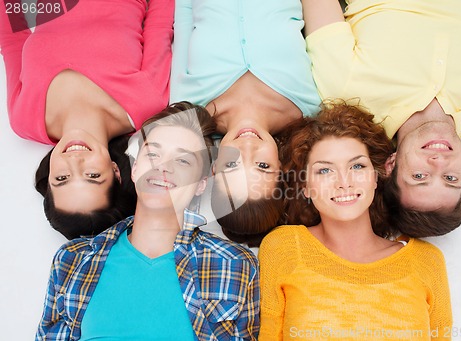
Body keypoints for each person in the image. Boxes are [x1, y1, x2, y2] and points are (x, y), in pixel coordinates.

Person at [35, 102, 260, 340]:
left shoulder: (234, 264)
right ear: (134, 169)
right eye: (153, 154)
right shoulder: (72, 260)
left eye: (183, 161)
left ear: (201, 183)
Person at [301, 0, 461, 236]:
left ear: (390, 165)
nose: (438, 162)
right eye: (450, 177)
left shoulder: (347, 90)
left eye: (419, 176)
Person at [258, 102, 452, 340]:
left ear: (375, 177)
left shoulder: (426, 261)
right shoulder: (283, 248)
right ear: (305, 187)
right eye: (324, 171)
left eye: (357, 166)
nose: (344, 182)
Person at [0, 0, 173, 238]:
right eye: (92, 176)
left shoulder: (25, 119)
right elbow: (160, 22)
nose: (75, 161)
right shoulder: (146, 103)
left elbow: (12, 38)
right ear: (116, 172)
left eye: (62, 178)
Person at [170, 0, 321, 244]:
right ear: (282, 167)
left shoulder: (187, 106)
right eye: (262, 166)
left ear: (213, 169)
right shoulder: (309, 106)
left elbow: (185, 20)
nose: (247, 148)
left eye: (231, 165)